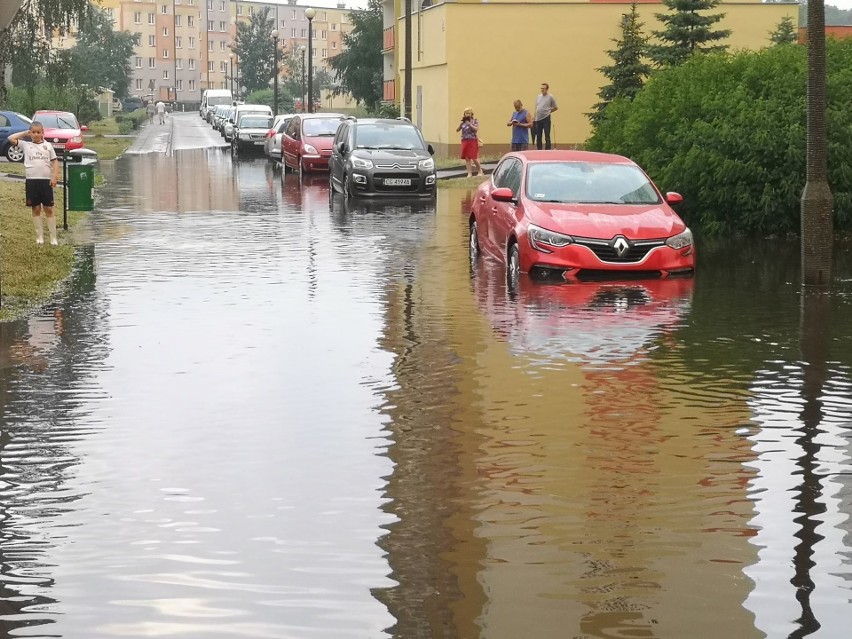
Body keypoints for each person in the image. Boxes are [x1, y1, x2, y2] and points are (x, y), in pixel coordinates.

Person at [8, 122, 60, 246]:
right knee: (36, 208)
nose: (36, 135)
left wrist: (55, 176)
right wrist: (25, 133)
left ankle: (53, 238)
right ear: (30, 133)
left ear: (43, 133)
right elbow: (11, 139)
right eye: (33, 132)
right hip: (32, 181)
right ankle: (39, 236)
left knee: (48, 209)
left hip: (45, 182)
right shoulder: (26, 145)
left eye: (38, 132)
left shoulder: (48, 146)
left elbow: (55, 161)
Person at [456, 107, 482, 178]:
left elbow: (476, 129)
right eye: (466, 113)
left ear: (471, 114)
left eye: (469, 113)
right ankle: (469, 173)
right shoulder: (463, 122)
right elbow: (457, 130)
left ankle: (480, 171)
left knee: (474, 157)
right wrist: (460, 124)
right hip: (465, 140)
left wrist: (469, 124)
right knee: (467, 158)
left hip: (472, 140)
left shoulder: (475, 121)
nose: (467, 114)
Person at [533, 82, 558, 150]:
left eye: (544, 89)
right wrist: (534, 117)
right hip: (538, 119)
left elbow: (555, 107)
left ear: (547, 89)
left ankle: (547, 150)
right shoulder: (538, 97)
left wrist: (549, 111)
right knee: (538, 136)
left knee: (547, 135)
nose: (542, 90)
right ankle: (539, 150)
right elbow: (536, 107)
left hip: (546, 118)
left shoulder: (550, 97)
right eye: (541, 88)